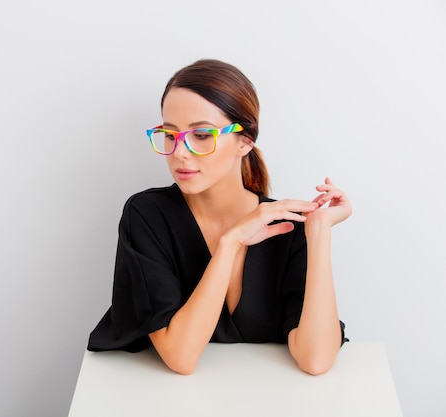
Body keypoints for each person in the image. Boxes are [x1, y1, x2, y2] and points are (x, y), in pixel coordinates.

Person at [87, 59, 351, 376]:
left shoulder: (287, 227)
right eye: (170, 135)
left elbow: (316, 360)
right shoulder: (147, 216)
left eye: (201, 135)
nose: (180, 152)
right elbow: (180, 357)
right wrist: (231, 243)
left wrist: (318, 232)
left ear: (245, 140)